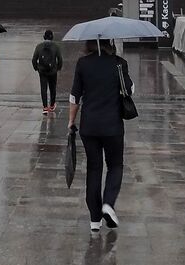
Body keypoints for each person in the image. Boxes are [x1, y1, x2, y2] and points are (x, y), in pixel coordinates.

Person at [68, 39, 134, 233]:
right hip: (112, 126)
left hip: (89, 126)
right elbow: (129, 91)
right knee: (115, 165)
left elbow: (75, 97)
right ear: (110, 44)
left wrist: (71, 121)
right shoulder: (119, 63)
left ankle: (94, 220)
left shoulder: (83, 63)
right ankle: (108, 204)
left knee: (93, 169)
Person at [31, 29, 63, 114]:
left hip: (42, 71)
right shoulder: (56, 46)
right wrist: (58, 68)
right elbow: (60, 59)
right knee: (53, 88)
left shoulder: (39, 46)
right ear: (52, 37)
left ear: (44, 37)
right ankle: (52, 106)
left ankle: (45, 107)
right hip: (53, 71)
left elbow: (34, 59)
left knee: (43, 89)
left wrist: (37, 68)